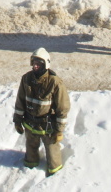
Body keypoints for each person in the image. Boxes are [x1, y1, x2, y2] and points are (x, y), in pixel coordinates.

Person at [13, 48, 70, 176]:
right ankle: (29, 168)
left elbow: (63, 107)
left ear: (46, 64)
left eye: (39, 63)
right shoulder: (26, 79)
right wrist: (17, 120)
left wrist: (59, 130)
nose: (35, 66)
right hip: (30, 124)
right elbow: (20, 101)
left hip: (48, 127)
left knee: (52, 151)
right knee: (31, 149)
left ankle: (55, 174)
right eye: (34, 63)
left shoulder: (55, 82)